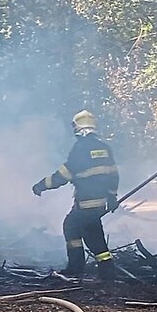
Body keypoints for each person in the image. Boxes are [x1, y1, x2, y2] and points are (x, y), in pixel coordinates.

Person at [31, 110, 119, 279]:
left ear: (77, 128)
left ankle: (90, 269)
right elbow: (113, 174)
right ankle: (101, 269)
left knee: (84, 232)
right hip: (100, 201)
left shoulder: (81, 148)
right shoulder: (104, 148)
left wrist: (41, 185)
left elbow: (63, 175)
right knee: (82, 229)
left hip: (85, 202)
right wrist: (112, 196)